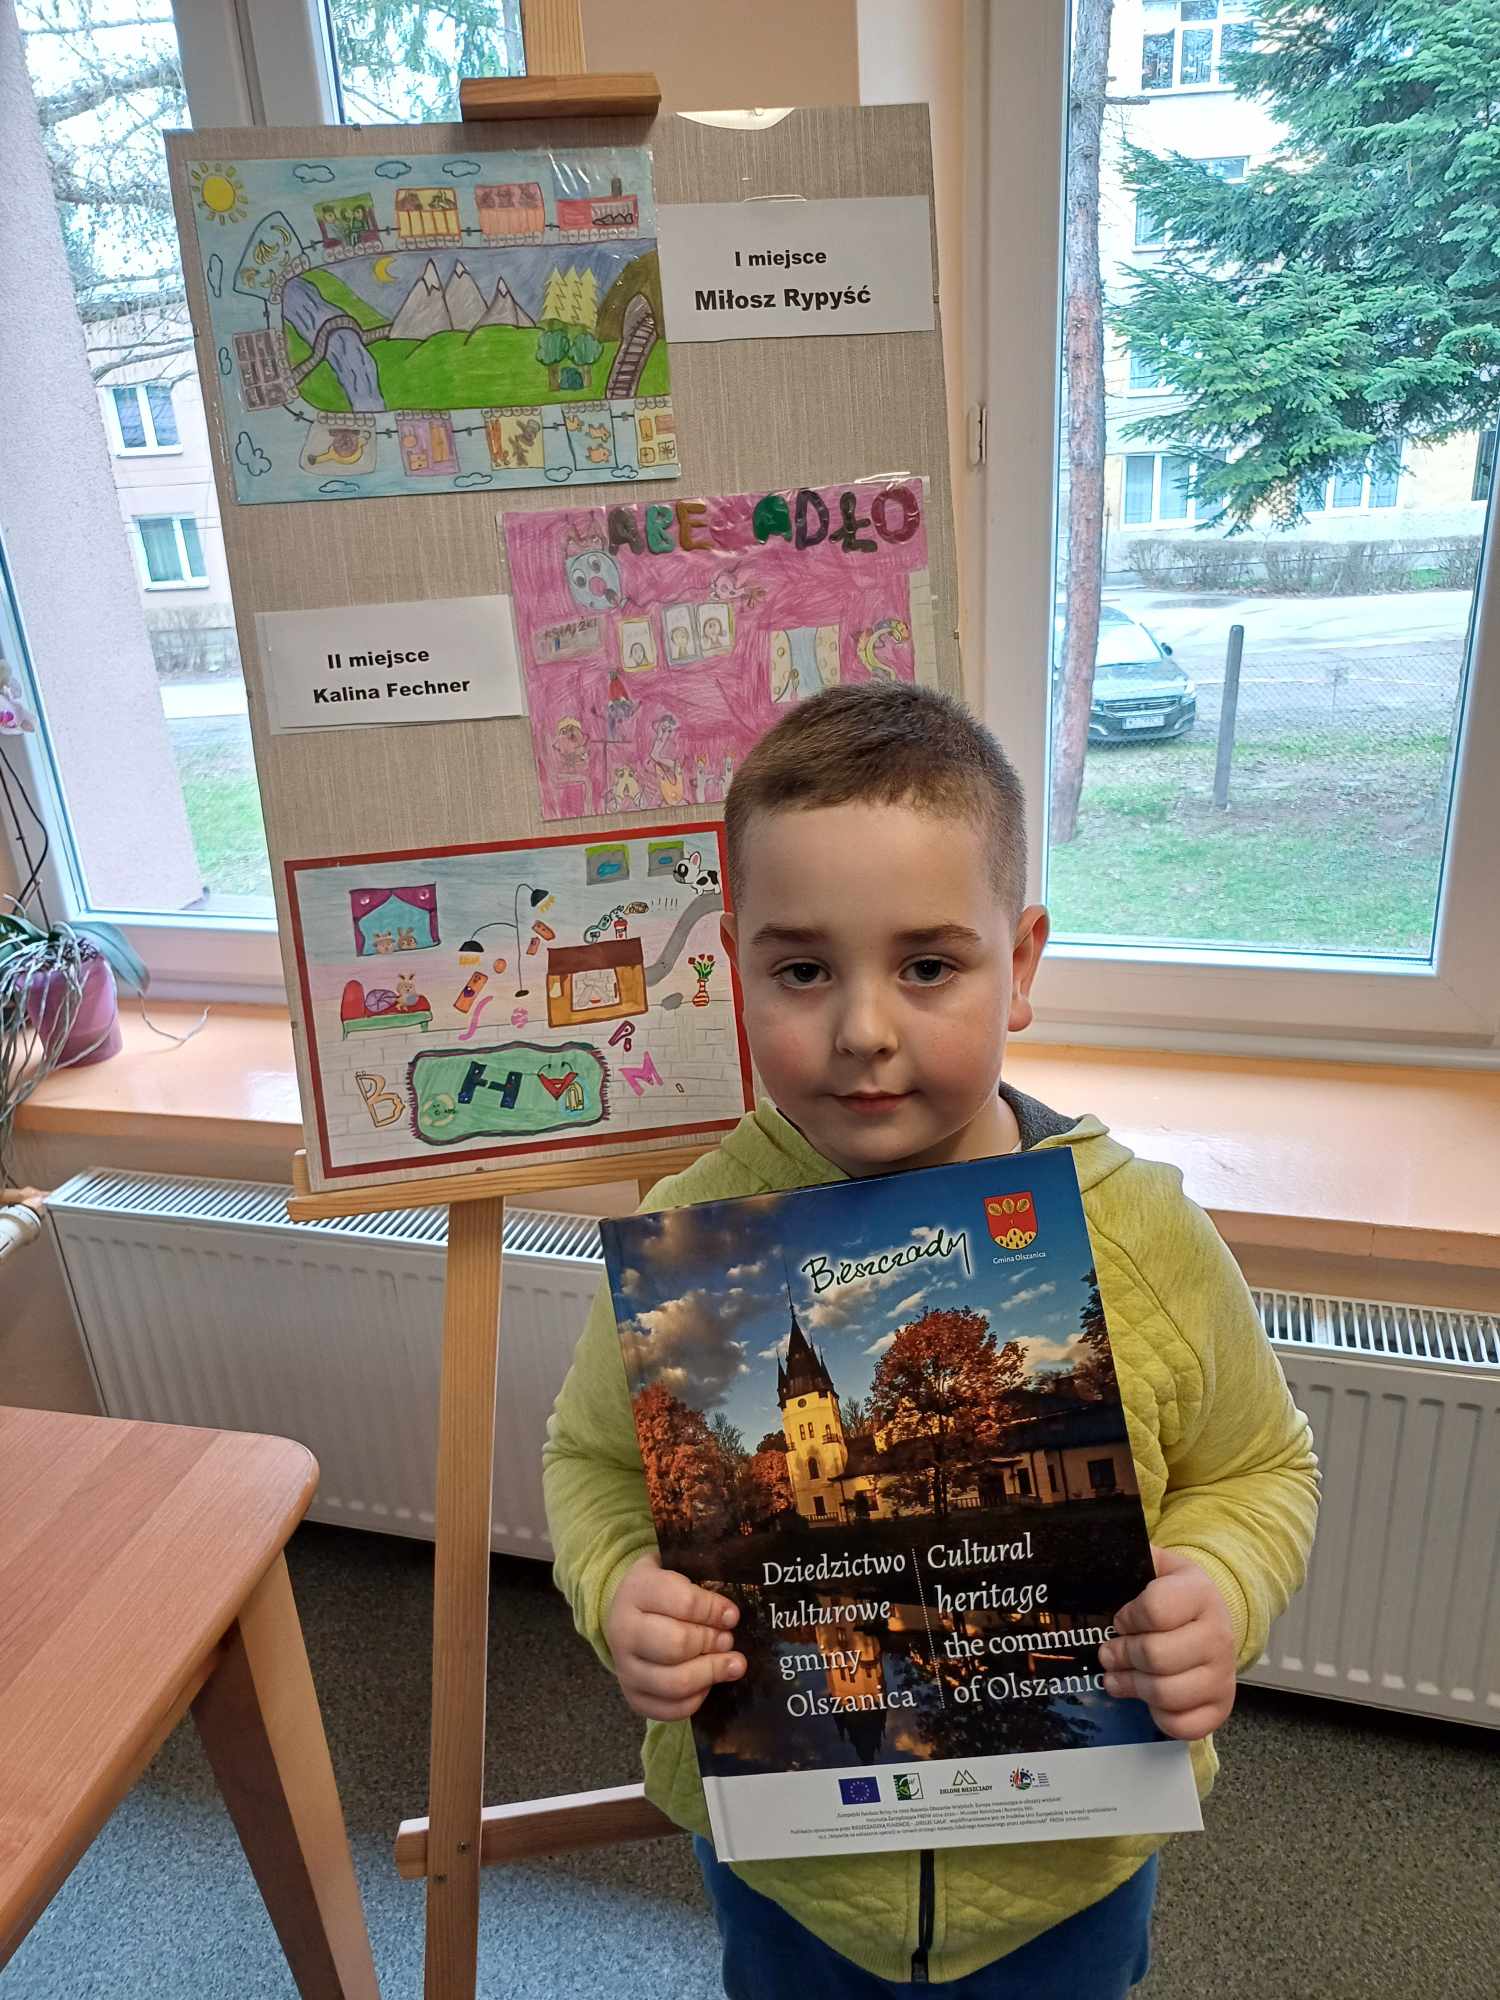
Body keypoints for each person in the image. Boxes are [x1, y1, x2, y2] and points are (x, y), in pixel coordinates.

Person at [543, 681, 1320, 1996]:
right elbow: (594, 1463)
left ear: (1021, 965)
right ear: (734, 967)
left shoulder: (1136, 1230)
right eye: (803, 970)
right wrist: (622, 1585)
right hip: (793, 1873)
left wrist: (1221, 1592)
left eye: (927, 966)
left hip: (1063, 1872)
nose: (864, 1031)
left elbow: (1261, 1467)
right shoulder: (693, 1240)